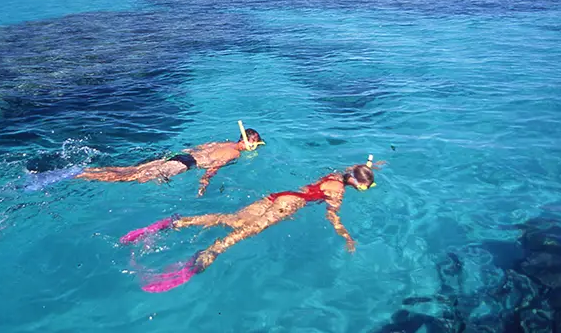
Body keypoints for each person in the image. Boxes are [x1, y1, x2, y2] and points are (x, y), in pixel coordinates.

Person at [120, 155, 383, 292]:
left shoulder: (338, 175)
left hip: (280, 195)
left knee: (230, 219)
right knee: (239, 235)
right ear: (356, 183)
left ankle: (175, 223)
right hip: (288, 206)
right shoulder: (338, 191)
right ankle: (203, 259)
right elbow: (331, 215)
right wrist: (345, 235)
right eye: (365, 186)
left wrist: (373, 167)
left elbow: (356, 168)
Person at [24, 122, 265, 196]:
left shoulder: (222, 142)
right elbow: (212, 169)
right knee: (128, 178)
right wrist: (203, 187)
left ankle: (77, 169)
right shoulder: (234, 152)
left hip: (178, 156)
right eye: (254, 144)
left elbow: (198, 148)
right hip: (181, 164)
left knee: (127, 169)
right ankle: (72, 174)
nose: (253, 148)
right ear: (248, 142)